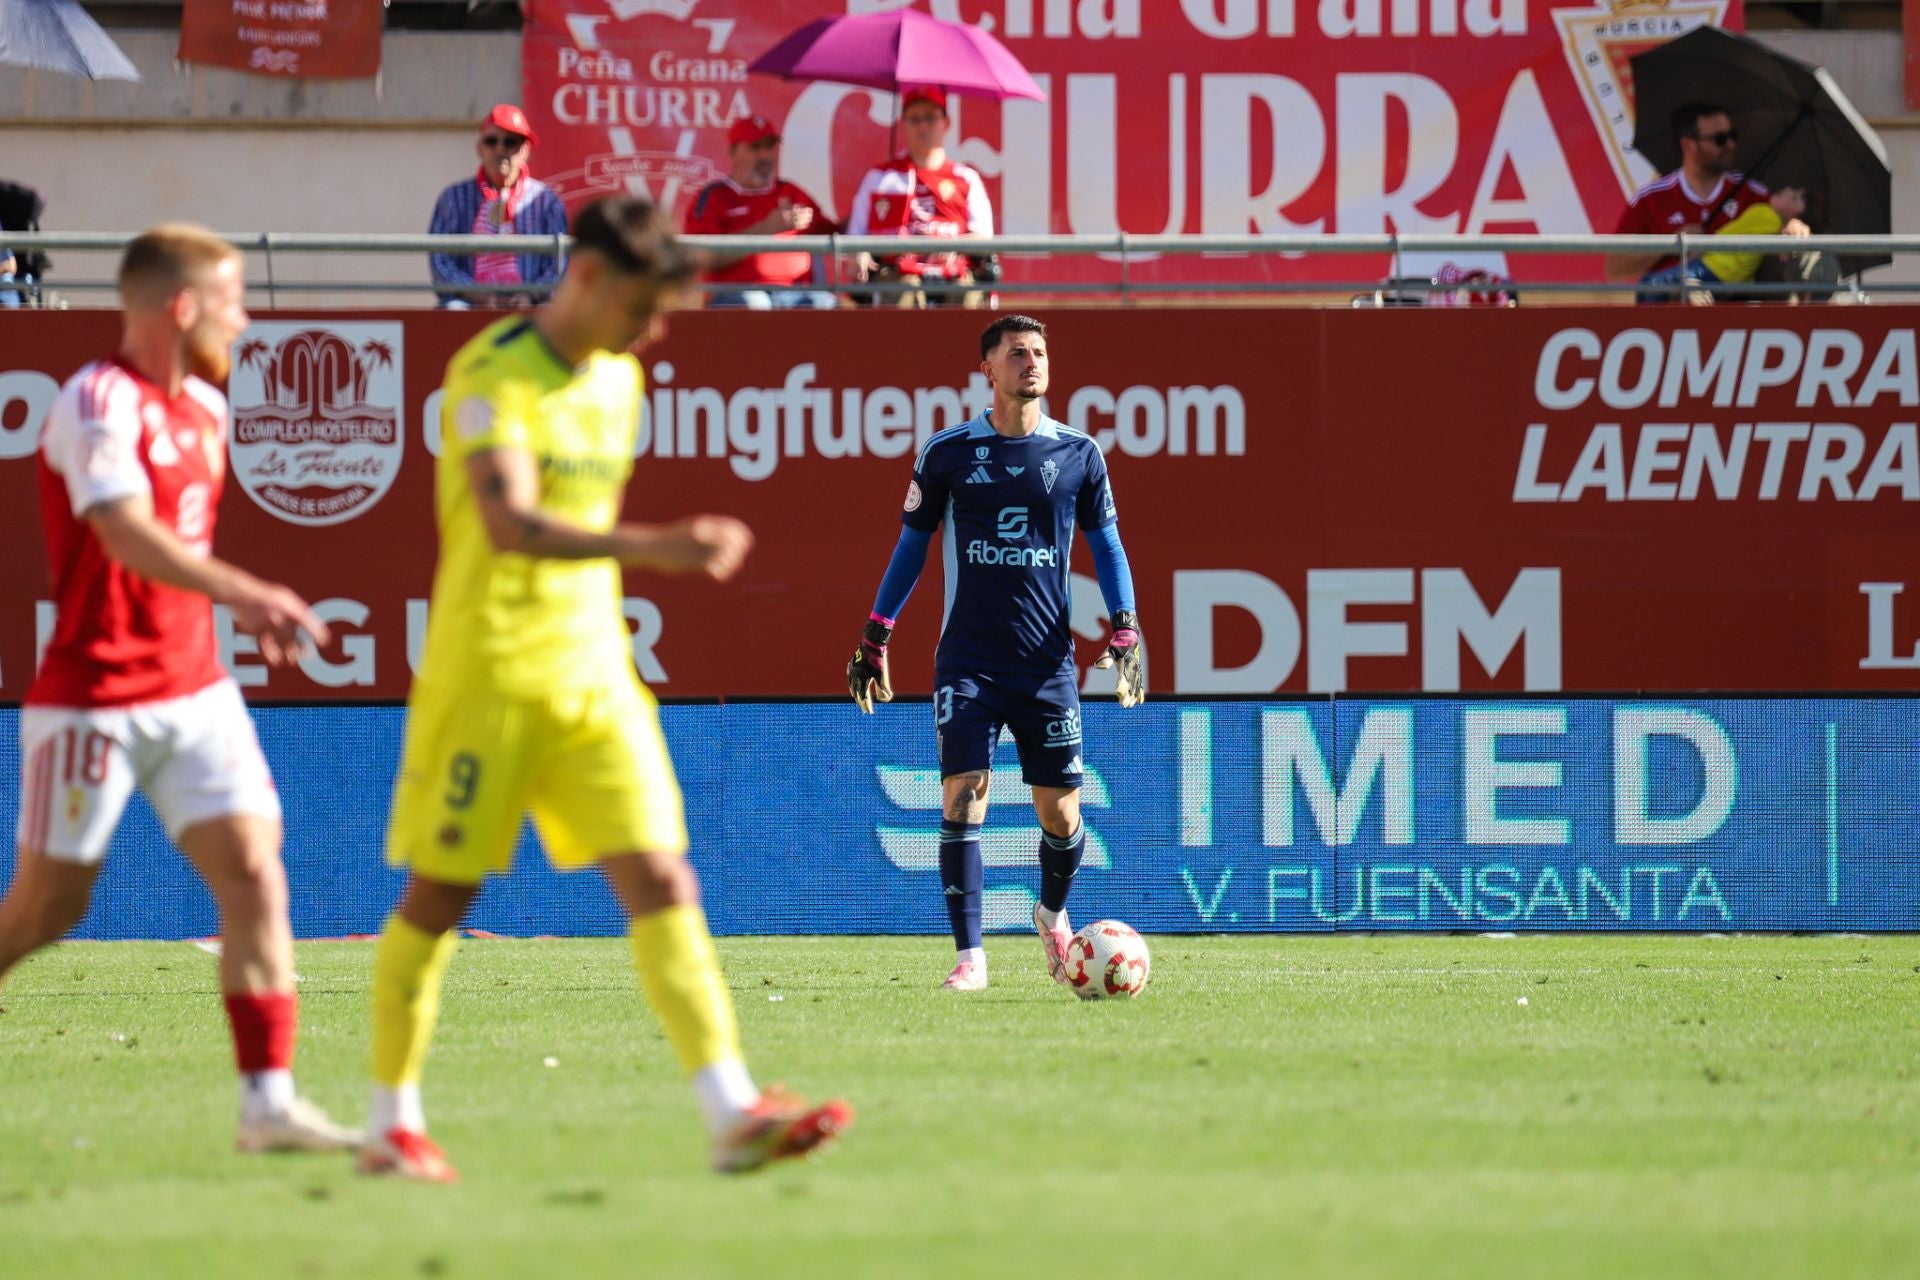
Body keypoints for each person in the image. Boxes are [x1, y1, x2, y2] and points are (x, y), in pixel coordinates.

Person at [359, 195, 852, 1182]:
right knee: (441, 897)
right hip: (489, 676)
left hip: (595, 674)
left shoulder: (620, 379)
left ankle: (728, 1108)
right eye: (642, 307)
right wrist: (659, 547)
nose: (653, 331)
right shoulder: (487, 374)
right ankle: (390, 1119)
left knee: (664, 877)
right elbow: (511, 526)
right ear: (585, 277)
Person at [0, 224, 359, 1155]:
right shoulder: (94, 401)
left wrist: (226, 612)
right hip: (95, 697)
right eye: (235, 300)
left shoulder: (207, 407)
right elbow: (124, 535)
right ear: (184, 307)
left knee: (254, 873)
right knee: (49, 909)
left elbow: (179, 559)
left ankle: (268, 1104)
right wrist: (249, 593)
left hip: (197, 689)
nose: (246, 321)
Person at [846, 315, 1145, 991]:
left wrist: (1125, 628)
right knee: (963, 797)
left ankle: (1051, 913)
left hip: (1046, 665)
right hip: (970, 663)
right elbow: (910, 550)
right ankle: (971, 957)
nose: (1032, 362)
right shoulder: (949, 453)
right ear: (988, 369)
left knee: (1061, 814)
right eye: (1017, 353)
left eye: (1040, 351)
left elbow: (1108, 548)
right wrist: (876, 634)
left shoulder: (1078, 456)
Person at [1606, 101, 1810, 302]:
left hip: (1734, 320)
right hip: (1665, 321)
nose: (1730, 145)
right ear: (1688, 144)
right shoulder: (1649, 198)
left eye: (1733, 136)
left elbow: (1779, 223)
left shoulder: (1753, 193)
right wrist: (1671, 244)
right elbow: (1614, 267)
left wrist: (1795, 226)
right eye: (1720, 139)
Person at [846, 87, 994, 307]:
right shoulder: (879, 177)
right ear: (903, 122)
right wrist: (858, 254)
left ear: (946, 122)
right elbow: (855, 237)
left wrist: (948, 245)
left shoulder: (965, 177)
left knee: (967, 294)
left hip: (953, 273)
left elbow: (984, 237)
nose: (923, 126)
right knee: (902, 290)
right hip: (897, 273)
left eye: (930, 118)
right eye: (914, 119)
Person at [683, 113, 839, 309]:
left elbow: (833, 233)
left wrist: (860, 237)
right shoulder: (713, 197)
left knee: (824, 305)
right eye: (755, 147)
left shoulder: (792, 192)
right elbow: (702, 258)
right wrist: (767, 228)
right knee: (755, 304)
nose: (765, 155)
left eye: (770, 146)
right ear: (733, 152)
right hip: (737, 294)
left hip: (796, 293)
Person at [428, 103, 570, 310]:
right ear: (480, 148)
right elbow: (440, 261)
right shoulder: (453, 198)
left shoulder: (546, 200)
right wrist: (478, 294)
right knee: (453, 310)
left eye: (510, 142)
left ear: (525, 150)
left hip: (532, 302)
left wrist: (530, 294)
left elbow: (560, 262)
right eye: (491, 141)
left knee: (551, 312)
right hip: (470, 301)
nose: (500, 149)